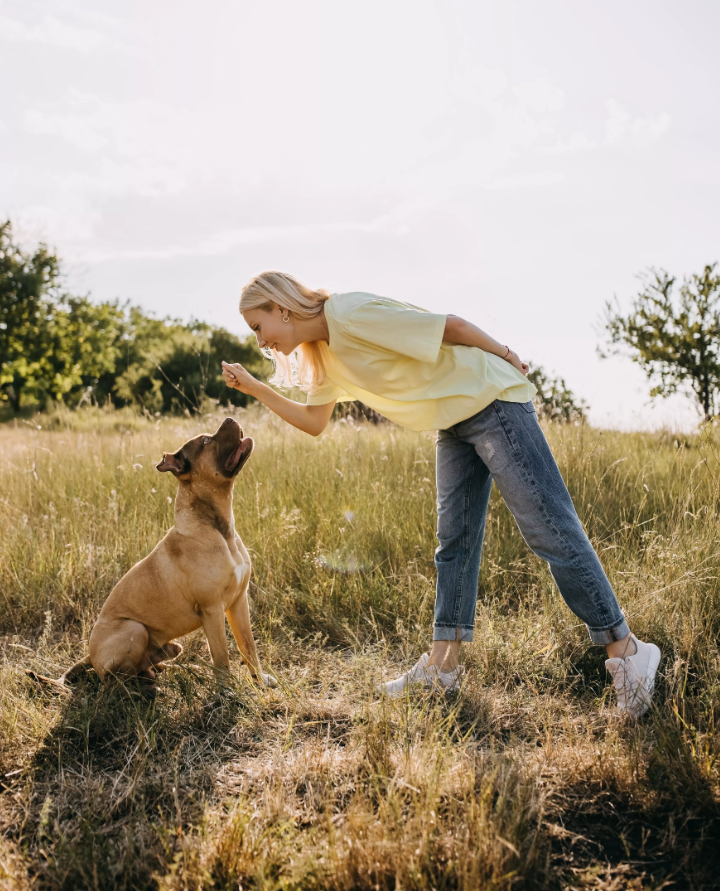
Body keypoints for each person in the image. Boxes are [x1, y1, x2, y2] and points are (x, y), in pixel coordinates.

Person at [221, 271, 661, 717]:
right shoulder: (323, 355)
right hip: (453, 418)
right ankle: (442, 667)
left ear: (281, 307)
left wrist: (507, 354)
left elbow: (449, 326)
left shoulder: (349, 313)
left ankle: (627, 652)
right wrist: (255, 387)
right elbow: (315, 423)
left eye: (259, 327)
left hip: (490, 399)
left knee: (549, 527)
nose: (260, 341)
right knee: (455, 542)